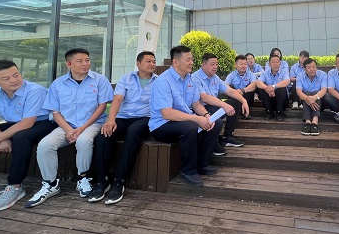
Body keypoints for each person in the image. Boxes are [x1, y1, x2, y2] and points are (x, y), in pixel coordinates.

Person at [25, 48, 113, 208]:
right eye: (80, 61)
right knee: (45, 145)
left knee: (84, 141)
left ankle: (82, 178)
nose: (85, 64)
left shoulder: (100, 80)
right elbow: (55, 111)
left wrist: (82, 128)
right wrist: (68, 130)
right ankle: (50, 183)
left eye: (87, 60)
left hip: (93, 124)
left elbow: (102, 106)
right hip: (67, 125)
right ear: (69, 64)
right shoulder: (58, 84)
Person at [0, 60, 54, 212]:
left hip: (43, 123)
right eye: (6, 78)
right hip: (16, 124)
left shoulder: (35, 90)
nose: (13, 80)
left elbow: (27, 123)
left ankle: (15, 186)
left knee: (21, 137)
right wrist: (3, 137)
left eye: (16, 75)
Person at [89, 51, 158, 204]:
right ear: (138, 63)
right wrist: (111, 120)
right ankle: (102, 180)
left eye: (153, 61)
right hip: (123, 117)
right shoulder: (126, 79)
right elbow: (118, 99)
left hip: (145, 118)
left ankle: (119, 180)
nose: (152, 64)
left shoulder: (158, 81)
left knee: (133, 133)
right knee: (104, 135)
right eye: (148, 61)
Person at [148, 45, 223, 187]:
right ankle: (188, 171)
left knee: (216, 122)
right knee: (190, 127)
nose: (191, 63)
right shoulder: (163, 81)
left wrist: (206, 115)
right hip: (162, 125)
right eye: (188, 60)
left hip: (184, 119)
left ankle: (202, 164)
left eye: (192, 59)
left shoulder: (191, 79)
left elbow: (196, 104)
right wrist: (196, 118)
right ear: (176, 62)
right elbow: (167, 113)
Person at [192, 53, 249, 151]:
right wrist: (224, 105)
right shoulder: (195, 78)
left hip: (213, 106)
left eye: (216, 64)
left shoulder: (215, 77)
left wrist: (244, 101)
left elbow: (229, 91)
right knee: (221, 109)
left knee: (235, 101)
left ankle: (227, 136)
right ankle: (213, 142)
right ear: (203, 65)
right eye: (212, 64)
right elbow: (204, 97)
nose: (215, 67)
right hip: (200, 109)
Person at [296, 58, 327, 136]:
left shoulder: (323, 75)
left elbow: (324, 90)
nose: (312, 69)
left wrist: (314, 98)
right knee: (307, 93)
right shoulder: (300, 76)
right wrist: (308, 98)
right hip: (305, 101)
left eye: (314, 67)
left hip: (319, 102)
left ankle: (315, 121)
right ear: (305, 69)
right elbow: (298, 91)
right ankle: (308, 121)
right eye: (309, 67)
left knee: (315, 92)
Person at [256, 54, 290, 120]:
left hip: (282, 102)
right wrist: (267, 88)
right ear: (269, 64)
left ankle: (279, 112)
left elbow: (287, 81)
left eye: (277, 62)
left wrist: (274, 87)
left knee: (281, 88)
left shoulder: (284, 72)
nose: (275, 64)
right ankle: (269, 112)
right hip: (269, 101)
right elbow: (258, 82)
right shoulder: (265, 73)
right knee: (261, 88)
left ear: (280, 63)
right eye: (273, 62)